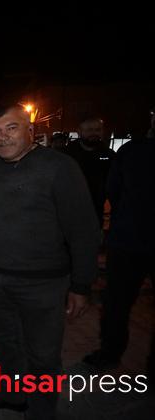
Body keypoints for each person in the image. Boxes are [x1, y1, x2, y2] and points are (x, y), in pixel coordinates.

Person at [0, 105, 99, 419]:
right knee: (4, 342)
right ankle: (15, 395)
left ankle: (42, 413)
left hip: (42, 285)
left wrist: (81, 285)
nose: (3, 137)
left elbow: (84, 230)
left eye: (11, 128)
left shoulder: (59, 167)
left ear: (30, 130)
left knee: (43, 356)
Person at [82, 112, 155, 376]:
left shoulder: (131, 151)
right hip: (128, 239)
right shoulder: (130, 151)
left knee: (117, 303)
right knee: (116, 303)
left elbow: (112, 189)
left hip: (128, 238)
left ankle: (109, 353)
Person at [63, 116, 116, 228]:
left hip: (96, 209)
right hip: (68, 207)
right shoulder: (67, 154)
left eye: (97, 130)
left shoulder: (109, 155)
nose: (94, 133)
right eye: (89, 130)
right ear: (79, 131)